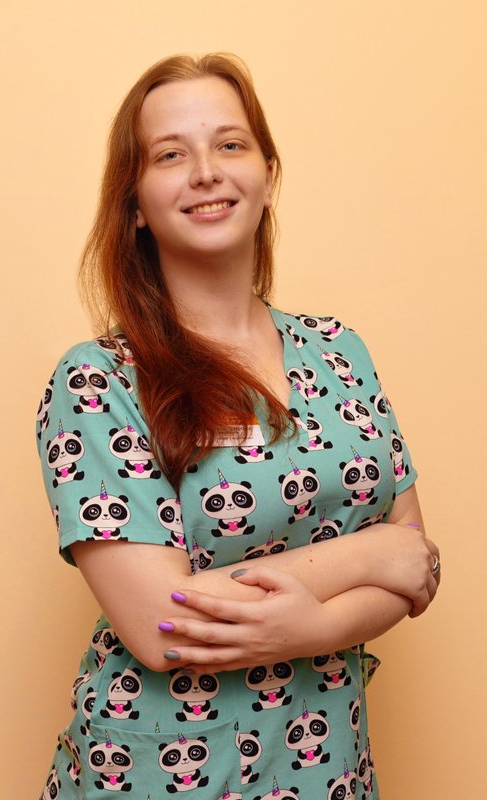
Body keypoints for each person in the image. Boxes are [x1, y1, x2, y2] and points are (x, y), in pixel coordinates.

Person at [36, 53, 440, 800]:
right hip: (164, 776)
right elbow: (159, 625)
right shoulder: (99, 381)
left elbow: (415, 564)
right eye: (169, 155)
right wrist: (368, 555)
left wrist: (315, 627)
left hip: (329, 767)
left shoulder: (340, 351)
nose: (206, 172)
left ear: (267, 174)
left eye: (230, 144)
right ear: (134, 203)